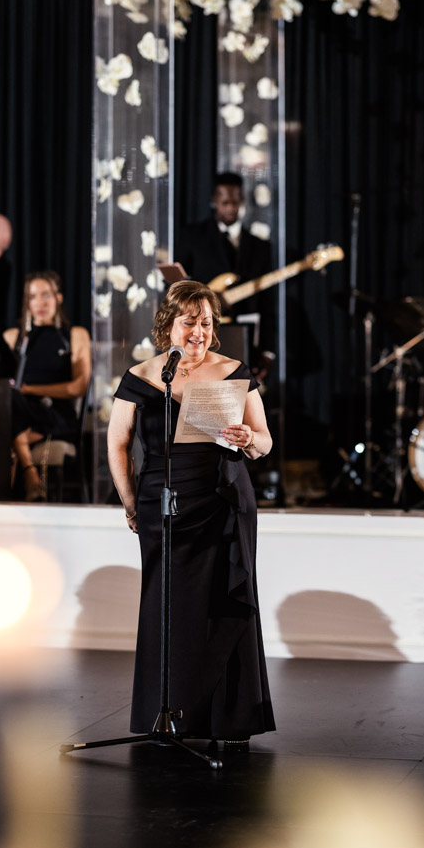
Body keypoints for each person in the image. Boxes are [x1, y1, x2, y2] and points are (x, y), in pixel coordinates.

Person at [107, 280, 276, 750]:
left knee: (223, 605)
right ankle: (169, 713)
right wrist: (128, 500)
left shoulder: (233, 372)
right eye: (189, 322)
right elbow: (117, 442)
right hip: (163, 501)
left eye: (206, 323)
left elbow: (264, 441)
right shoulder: (142, 377)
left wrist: (249, 439)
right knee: (168, 607)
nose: (199, 333)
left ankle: (229, 717)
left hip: (221, 499)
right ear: (168, 325)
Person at [175, 172, 275, 381]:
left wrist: (268, 351)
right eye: (225, 202)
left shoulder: (261, 247)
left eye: (235, 202)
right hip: (200, 339)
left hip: (247, 342)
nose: (230, 208)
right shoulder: (191, 237)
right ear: (214, 201)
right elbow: (177, 287)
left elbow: (269, 304)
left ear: (243, 201)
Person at [4, 270, 91, 502]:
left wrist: (30, 390)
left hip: (56, 414)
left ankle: (13, 490)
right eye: (32, 297)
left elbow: (77, 388)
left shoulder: (74, 335)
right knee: (7, 402)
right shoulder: (13, 337)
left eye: (46, 295)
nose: (40, 303)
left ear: (58, 298)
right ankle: (30, 473)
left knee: (4, 430)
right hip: (20, 413)